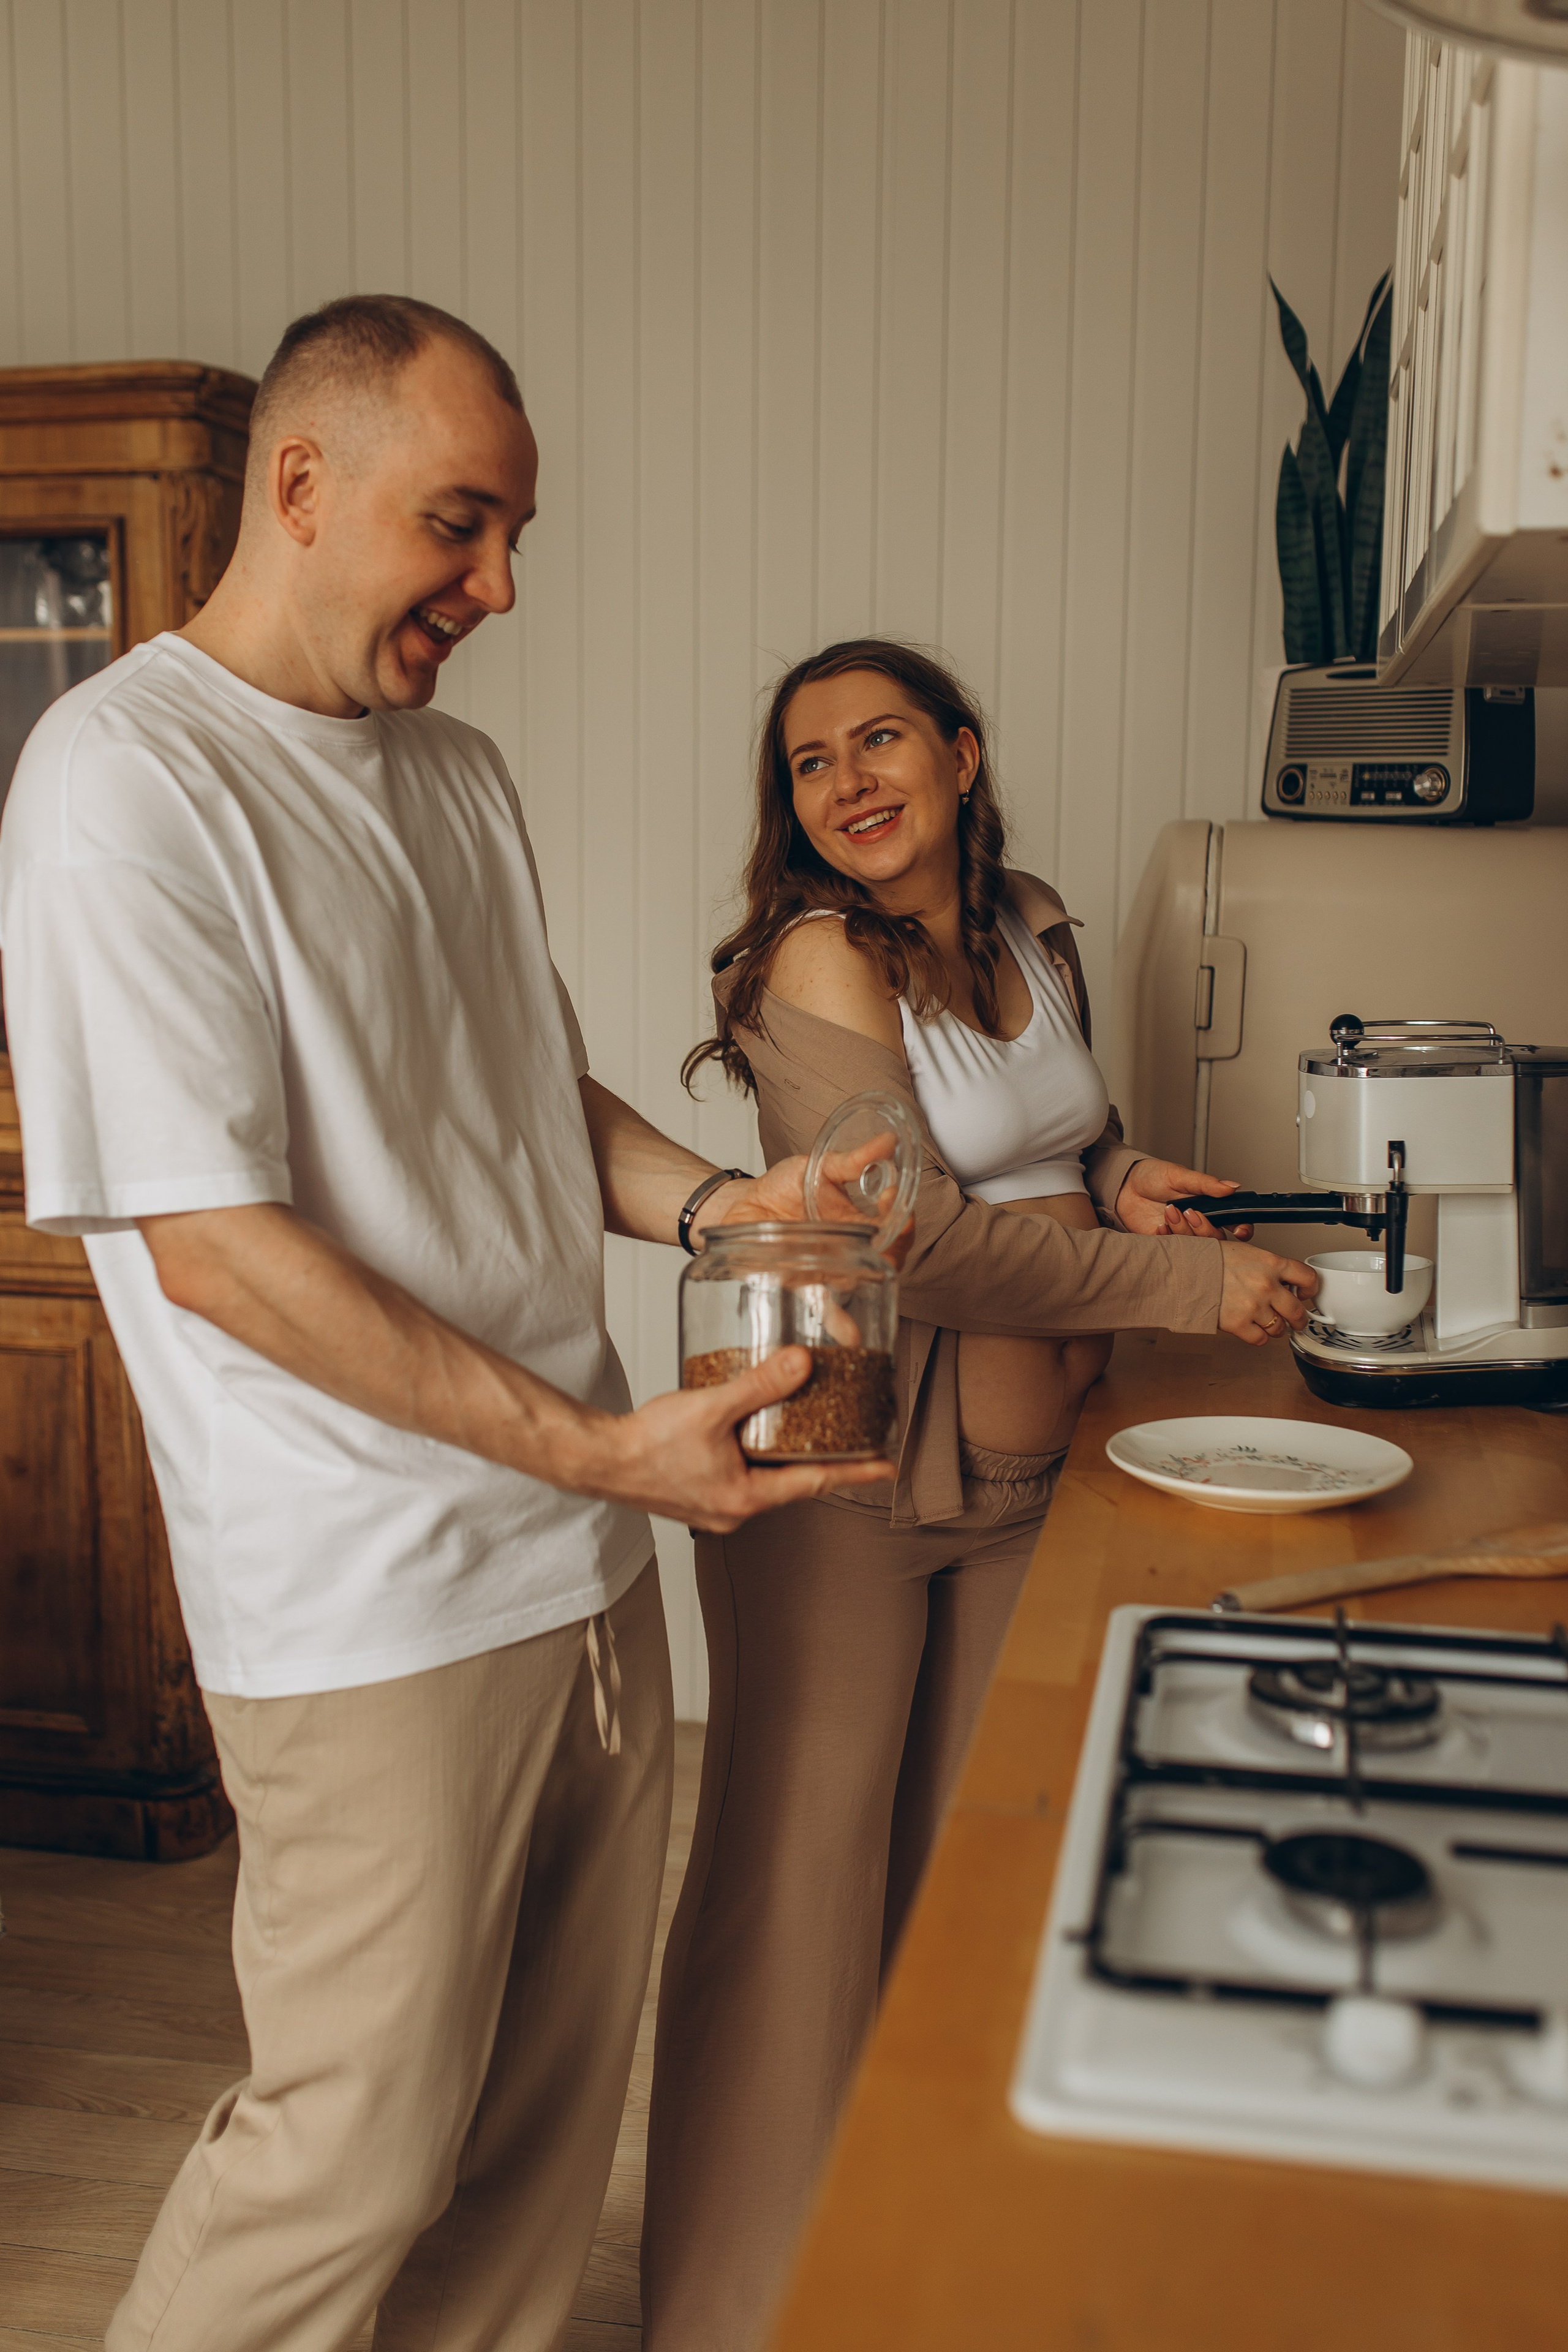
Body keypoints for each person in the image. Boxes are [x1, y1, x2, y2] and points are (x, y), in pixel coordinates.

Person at [0, 300, 893, 2352]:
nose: (496, 587)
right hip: (367, 1598)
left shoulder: (456, 775)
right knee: (353, 2158)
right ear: (301, 487)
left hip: (577, 1560)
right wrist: (596, 1450)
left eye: (515, 535)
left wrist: (724, 1202)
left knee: (536, 2150)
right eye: (461, 526)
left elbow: (533, 1101)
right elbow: (212, 1241)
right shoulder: (124, 784)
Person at [641, 638, 1318, 2351]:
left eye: (881, 742)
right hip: (837, 1449)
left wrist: (1119, 1169)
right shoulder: (812, 958)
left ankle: (902, 2286)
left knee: (960, 1888)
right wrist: (1182, 1292)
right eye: (811, 763)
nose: (850, 783)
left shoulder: (1030, 916)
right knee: (796, 1889)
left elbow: (1047, 1135)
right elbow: (906, 1234)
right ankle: (732, 2319)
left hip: (1025, 1473)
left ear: (958, 752)